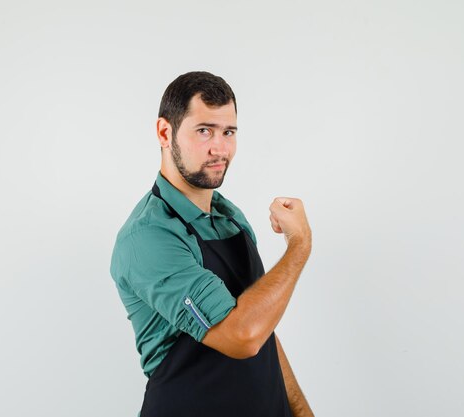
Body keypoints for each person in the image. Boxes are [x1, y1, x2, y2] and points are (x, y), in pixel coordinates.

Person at [110, 71, 314, 417]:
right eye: (204, 130)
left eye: (228, 132)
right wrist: (300, 245)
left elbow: (263, 329)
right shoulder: (148, 237)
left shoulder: (229, 215)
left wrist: (301, 411)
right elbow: (243, 335)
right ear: (164, 132)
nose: (219, 148)